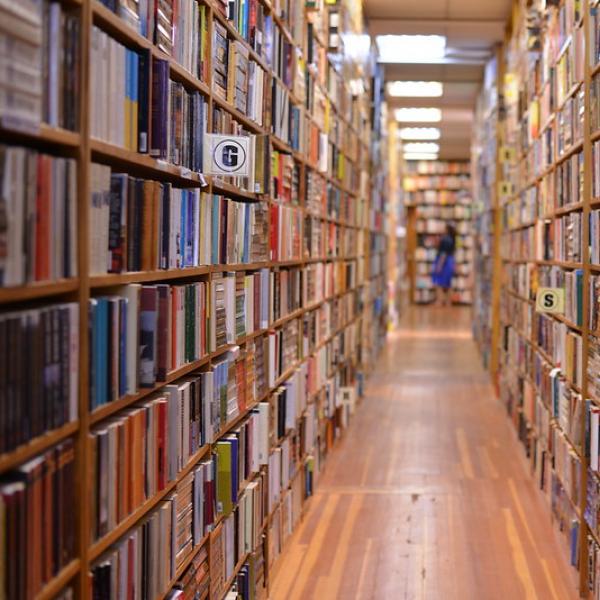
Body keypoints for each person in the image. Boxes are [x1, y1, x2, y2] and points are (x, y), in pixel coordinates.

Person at [431, 224, 456, 306]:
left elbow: (443, 253)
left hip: (443, 261)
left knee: (438, 282)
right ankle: (448, 301)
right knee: (448, 283)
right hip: (450, 261)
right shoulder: (452, 239)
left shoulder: (445, 239)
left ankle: (439, 301)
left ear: (446, 230)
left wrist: (440, 265)